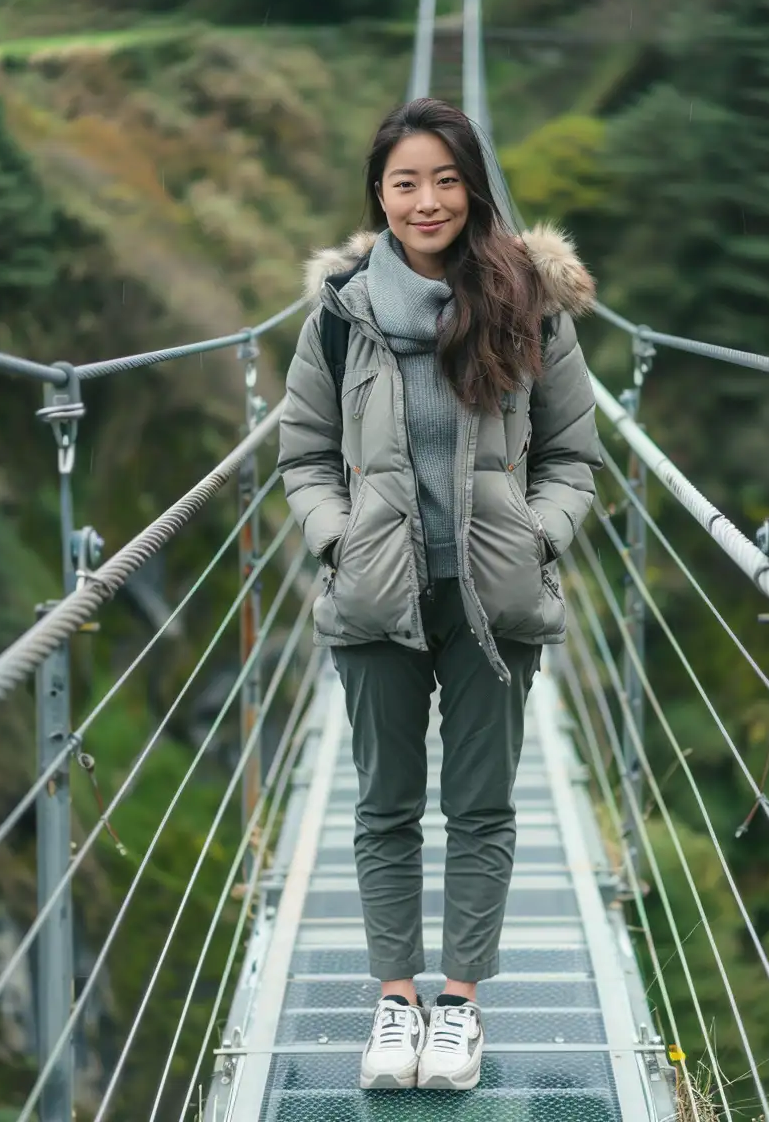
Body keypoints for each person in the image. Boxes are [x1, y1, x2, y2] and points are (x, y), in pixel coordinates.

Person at [278, 95, 600, 1092]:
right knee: (382, 805)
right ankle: (393, 1000)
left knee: (480, 806)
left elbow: (572, 457)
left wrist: (534, 537)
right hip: (377, 596)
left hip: (490, 602)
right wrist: (337, 545)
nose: (427, 200)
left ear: (473, 186)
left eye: (446, 178)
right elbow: (304, 455)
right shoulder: (337, 316)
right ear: (377, 193)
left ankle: (457, 1004)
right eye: (405, 181)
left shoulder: (529, 304)